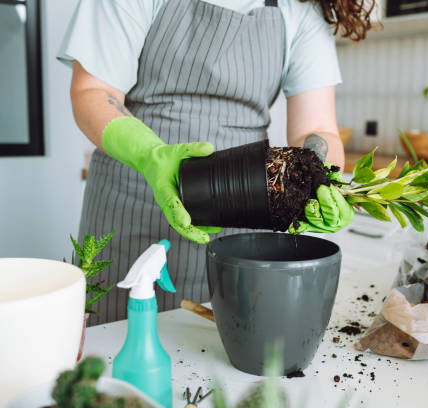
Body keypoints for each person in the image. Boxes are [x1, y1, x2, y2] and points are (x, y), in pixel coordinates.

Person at [58, 0, 373, 324]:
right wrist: (150, 156)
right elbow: (93, 91)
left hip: (242, 210)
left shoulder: (300, 9)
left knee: (219, 356)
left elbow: (316, 128)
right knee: (117, 346)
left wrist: (319, 180)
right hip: (131, 204)